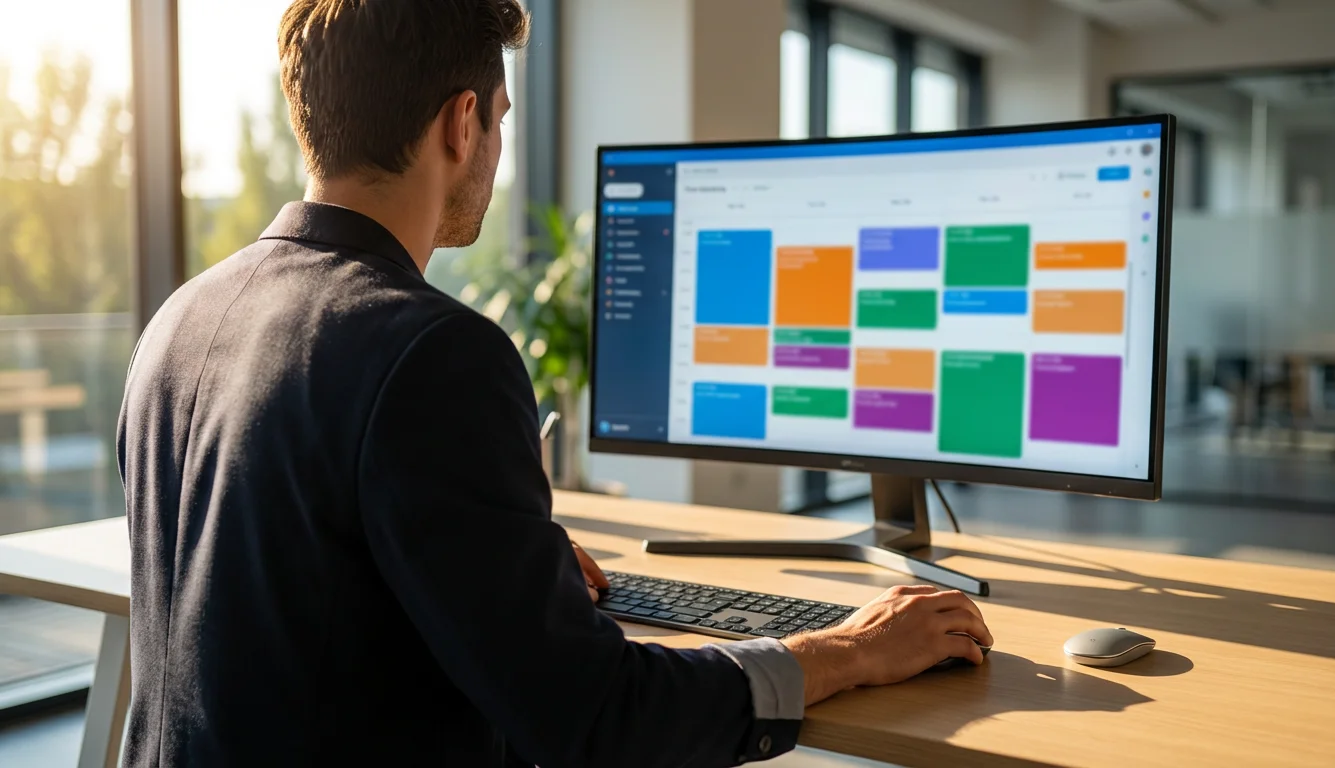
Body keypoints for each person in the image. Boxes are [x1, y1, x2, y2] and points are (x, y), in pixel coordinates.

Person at [116, 1, 994, 766]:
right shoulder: (432, 353)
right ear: (464, 124)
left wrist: (496, 569)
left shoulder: (180, 318)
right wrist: (844, 651)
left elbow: (285, 589)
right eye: (500, 118)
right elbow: (596, 721)